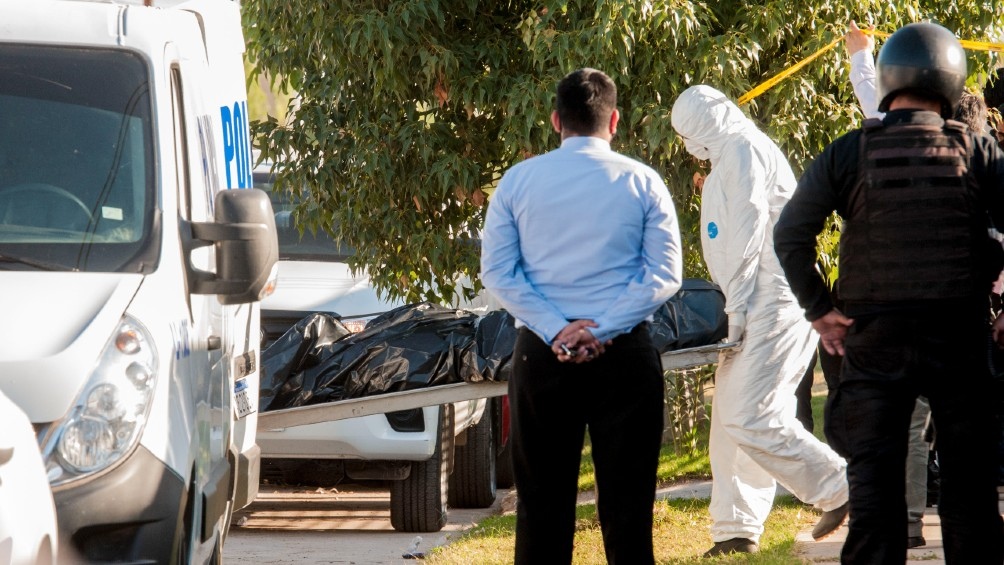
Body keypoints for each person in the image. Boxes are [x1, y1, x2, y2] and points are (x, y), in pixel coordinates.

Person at [774, 22, 1004, 563]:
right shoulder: (979, 151)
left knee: (875, 505)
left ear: (887, 79)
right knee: (971, 504)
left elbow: (790, 234)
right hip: (960, 343)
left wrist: (821, 311)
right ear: (952, 80)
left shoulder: (850, 152)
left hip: (874, 345)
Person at [480, 67, 683, 565]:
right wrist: (604, 327)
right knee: (630, 506)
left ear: (556, 120)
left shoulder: (518, 182)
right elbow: (664, 274)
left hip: (542, 357)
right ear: (614, 120)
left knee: (541, 508)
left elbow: (499, 274)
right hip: (626, 354)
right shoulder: (643, 181)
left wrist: (557, 330)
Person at [670, 84, 850, 557]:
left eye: (686, 133)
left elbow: (749, 232)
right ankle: (735, 529)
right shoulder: (731, 151)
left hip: (769, 303)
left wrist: (736, 310)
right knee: (731, 418)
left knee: (750, 413)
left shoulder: (744, 148)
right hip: (751, 303)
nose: (687, 146)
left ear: (701, 126)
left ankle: (842, 486)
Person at [843, 19, 941, 550]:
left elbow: (877, 109)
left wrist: (862, 56)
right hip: (955, 309)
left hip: (900, 304)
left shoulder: (889, 145)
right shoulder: (974, 153)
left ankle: (901, 519)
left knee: (902, 419)